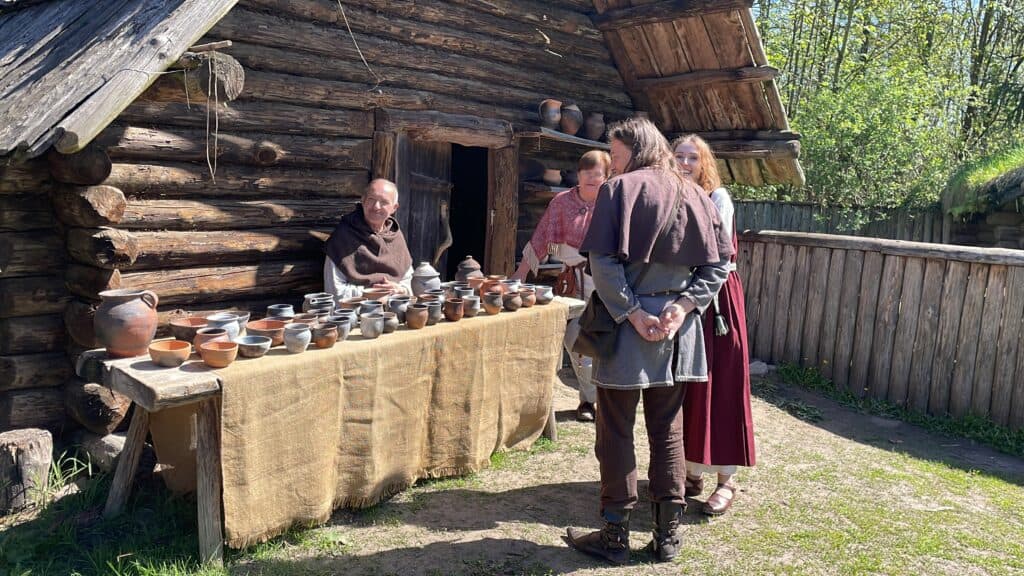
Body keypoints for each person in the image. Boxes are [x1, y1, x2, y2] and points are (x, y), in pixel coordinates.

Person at [565, 118, 732, 564]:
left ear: (636, 150)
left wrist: (633, 312)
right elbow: (719, 265)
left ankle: (616, 535)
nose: (613, 165)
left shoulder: (618, 191)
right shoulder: (696, 193)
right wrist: (684, 305)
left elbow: (603, 264)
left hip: (630, 329)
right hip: (677, 333)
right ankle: (666, 537)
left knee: (615, 427)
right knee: (668, 429)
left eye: (617, 156)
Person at [672, 135, 756, 516]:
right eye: (679, 156)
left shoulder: (718, 198)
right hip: (687, 302)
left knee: (721, 386)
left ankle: (726, 480)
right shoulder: (673, 197)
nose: (686, 162)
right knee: (689, 388)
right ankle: (690, 470)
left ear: (705, 163)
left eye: (693, 157)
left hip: (717, 303)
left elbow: (716, 257)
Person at [511, 150, 612, 422]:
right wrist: (524, 272)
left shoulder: (613, 203)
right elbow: (545, 239)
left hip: (607, 282)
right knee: (574, 340)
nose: (592, 178)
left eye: (597, 174)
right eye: (586, 174)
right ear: (577, 176)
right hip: (573, 282)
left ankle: (603, 401)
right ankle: (589, 399)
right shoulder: (562, 203)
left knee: (606, 342)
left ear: (606, 176)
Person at [324, 179, 413, 299]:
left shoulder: (395, 236)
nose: (376, 207)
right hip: (356, 313)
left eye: (384, 202)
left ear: (394, 208)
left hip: (395, 311)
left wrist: (399, 289)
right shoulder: (343, 236)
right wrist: (373, 293)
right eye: (371, 199)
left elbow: (409, 283)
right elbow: (334, 291)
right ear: (363, 200)